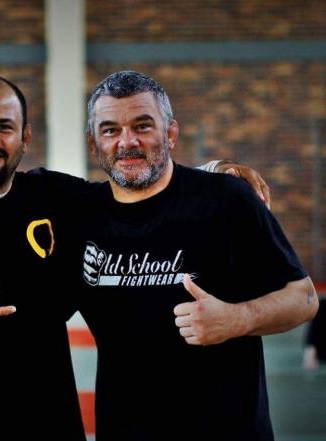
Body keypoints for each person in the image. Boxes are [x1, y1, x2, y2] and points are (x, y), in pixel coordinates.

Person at [0, 73, 271, 440]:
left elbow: (135, 183)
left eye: (5, 126)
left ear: (25, 138)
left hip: (46, 428)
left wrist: (216, 173)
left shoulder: (53, 196)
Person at [69, 70, 318, 441]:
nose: (127, 141)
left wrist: (237, 318)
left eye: (142, 126)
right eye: (110, 130)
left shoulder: (227, 199)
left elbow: (303, 298)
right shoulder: (79, 215)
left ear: (170, 133)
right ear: (94, 143)